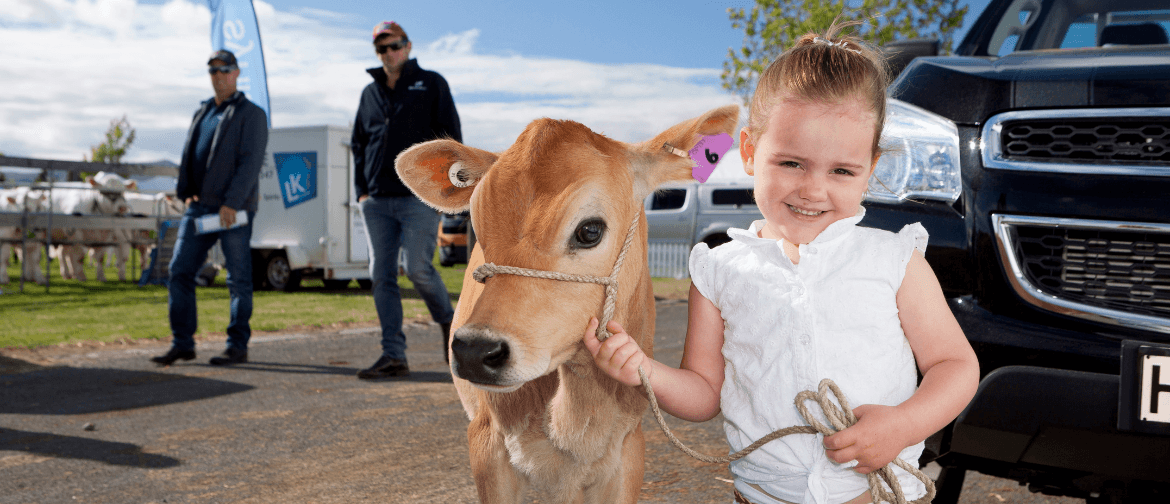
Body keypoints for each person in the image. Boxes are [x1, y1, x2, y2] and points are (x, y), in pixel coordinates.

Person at [584, 23, 980, 504]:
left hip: (877, 495)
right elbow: (705, 392)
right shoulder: (719, 271)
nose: (813, 189)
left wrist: (902, 425)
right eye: (791, 163)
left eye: (841, 171)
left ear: (870, 169)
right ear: (750, 153)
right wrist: (643, 368)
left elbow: (955, 365)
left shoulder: (895, 260)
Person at [351, 21, 460, 379]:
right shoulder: (370, 93)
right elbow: (359, 143)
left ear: (408, 46)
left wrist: (445, 189)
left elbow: (450, 139)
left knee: (417, 269)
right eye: (382, 49)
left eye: (394, 46)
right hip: (377, 201)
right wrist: (362, 191)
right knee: (380, 276)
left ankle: (449, 322)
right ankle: (393, 355)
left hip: (419, 199)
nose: (389, 53)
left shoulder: (431, 84)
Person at [151, 49, 268, 367]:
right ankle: (183, 343)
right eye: (213, 71)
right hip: (198, 207)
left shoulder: (251, 114)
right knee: (179, 272)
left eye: (225, 69)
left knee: (238, 278)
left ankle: (236, 346)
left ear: (237, 72)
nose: (219, 76)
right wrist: (185, 191)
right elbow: (191, 154)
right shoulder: (202, 111)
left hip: (232, 210)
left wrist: (232, 202)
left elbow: (250, 162)